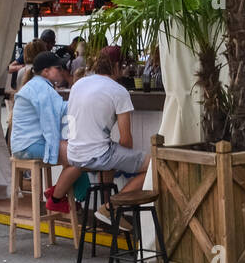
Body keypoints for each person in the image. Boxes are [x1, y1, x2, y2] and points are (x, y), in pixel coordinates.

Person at [66, 53, 150, 214]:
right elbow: (126, 139)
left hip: (73, 153)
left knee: (111, 151)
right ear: (116, 67)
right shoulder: (119, 91)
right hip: (98, 155)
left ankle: (106, 209)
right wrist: (126, 160)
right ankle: (110, 207)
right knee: (154, 166)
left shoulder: (78, 84)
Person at [10, 51, 84, 213]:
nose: (62, 71)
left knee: (74, 153)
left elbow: (57, 111)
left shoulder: (39, 86)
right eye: (58, 68)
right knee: (78, 156)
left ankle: (57, 190)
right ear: (46, 71)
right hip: (29, 146)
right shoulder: (40, 88)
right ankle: (57, 198)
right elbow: (51, 119)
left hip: (26, 144)